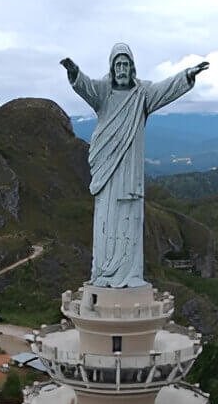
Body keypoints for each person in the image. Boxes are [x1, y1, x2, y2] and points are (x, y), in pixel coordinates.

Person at [61, 45, 209, 287]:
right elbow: (85, 86)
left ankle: (130, 275)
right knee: (107, 219)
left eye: (125, 64)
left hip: (130, 171)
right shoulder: (103, 91)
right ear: (112, 67)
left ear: (132, 67)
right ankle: (104, 272)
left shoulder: (143, 94)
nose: (121, 69)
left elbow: (166, 88)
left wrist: (187, 75)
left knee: (130, 219)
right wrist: (74, 71)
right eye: (117, 64)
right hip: (107, 167)